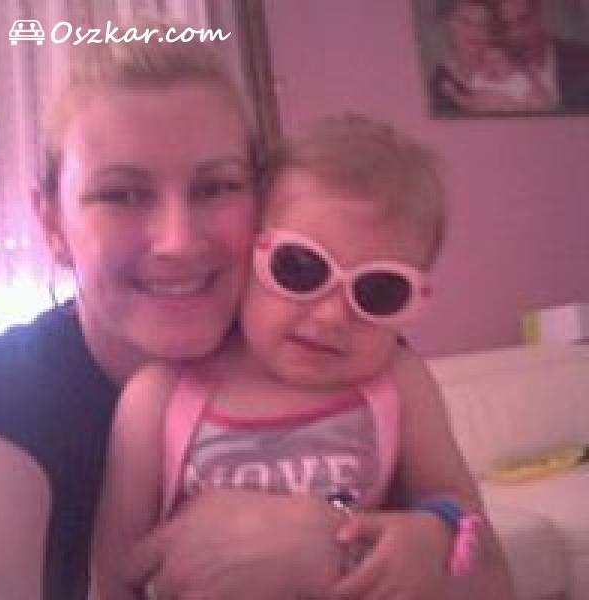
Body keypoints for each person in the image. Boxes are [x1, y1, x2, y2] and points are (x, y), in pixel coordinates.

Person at [0, 24, 515, 600]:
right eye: (121, 194)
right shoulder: (9, 394)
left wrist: (338, 544)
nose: (178, 242)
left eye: (216, 187)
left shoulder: (346, 348)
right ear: (52, 223)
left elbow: (491, 576)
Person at [91, 115, 514, 600]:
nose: (332, 315)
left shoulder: (398, 382)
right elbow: (115, 573)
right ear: (247, 255)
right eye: (299, 267)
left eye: (379, 290)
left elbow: (470, 525)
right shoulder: (159, 397)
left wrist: (434, 535)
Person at [495, 0, 589, 111]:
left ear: (540, 17)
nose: (517, 33)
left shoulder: (582, 59)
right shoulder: (499, 68)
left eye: (524, 20)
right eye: (508, 27)